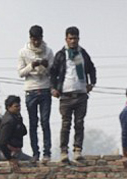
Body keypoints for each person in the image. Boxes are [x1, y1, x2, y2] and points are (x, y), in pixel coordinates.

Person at [49, 26, 96, 163]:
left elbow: (91, 69)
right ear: (66, 39)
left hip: (81, 94)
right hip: (65, 96)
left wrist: (92, 83)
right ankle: (64, 151)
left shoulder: (82, 54)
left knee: (79, 123)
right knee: (66, 124)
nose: (73, 41)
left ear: (78, 39)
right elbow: (53, 72)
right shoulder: (61, 54)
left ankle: (77, 150)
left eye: (75, 38)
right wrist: (53, 88)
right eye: (70, 38)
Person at [18, 24, 54, 162]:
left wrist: (46, 65)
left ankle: (47, 153)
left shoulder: (48, 51)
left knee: (45, 122)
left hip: (45, 89)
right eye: (34, 39)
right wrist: (31, 66)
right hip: (30, 90)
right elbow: (20, 73)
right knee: (33, 123)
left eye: (38, 39)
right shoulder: (23, 52)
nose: (36, 42)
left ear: (42, 38)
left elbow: (53, 71)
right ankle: (35, 153)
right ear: (30, 38)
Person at [0, 95, 29, 162]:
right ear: (9, 107)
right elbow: (2, 142)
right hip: (8, 153)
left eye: (19, 106)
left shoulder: (16, 118)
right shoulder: (9, 121)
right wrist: (10, 158)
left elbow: (24, 132)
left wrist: (20, 120)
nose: (19, 108)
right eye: (16, 106)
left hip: (16, 152)